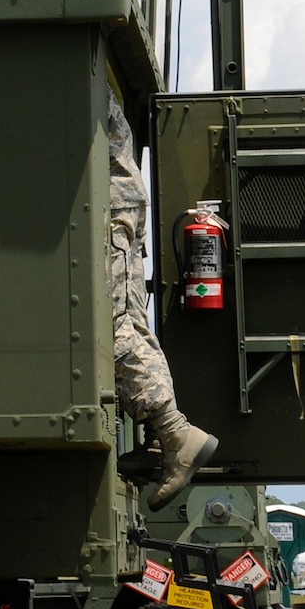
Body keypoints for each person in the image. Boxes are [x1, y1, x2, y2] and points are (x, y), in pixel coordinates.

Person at [108, 87, 218, 508]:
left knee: (111, 326)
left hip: (109, 208)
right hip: (117, 205)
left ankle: (175, 432)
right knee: (131, 322)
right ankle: (162, 438)